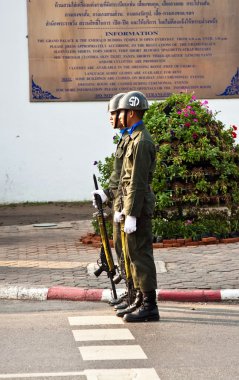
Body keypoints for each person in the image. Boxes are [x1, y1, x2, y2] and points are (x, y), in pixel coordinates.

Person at [113, 90, 160, 322]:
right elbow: (124, 178)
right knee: (132, 254)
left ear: (131, 112)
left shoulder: (142, 142)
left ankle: (150, 306)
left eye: (120, 112)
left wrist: (131, 213)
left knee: (140, 255)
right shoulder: (133, 138)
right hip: (132, 205)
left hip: (138, 206)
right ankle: (139, 299)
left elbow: (137, 182)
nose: (118, 116)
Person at [92, 93, 130, 305]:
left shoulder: (135, 140)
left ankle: (139, 297)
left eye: (114, 113)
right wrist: (105, 193)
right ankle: (130, 292)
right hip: (120, 202)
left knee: (131, 254)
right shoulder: (125, 139)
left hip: (127, 204)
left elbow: (132, 177)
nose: (110, 117)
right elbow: (119, 175)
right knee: (121, 251)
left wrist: (128, 208)